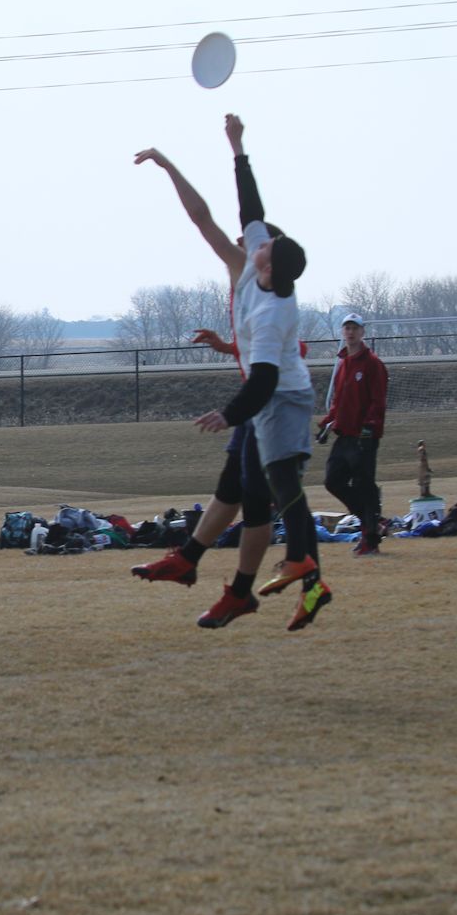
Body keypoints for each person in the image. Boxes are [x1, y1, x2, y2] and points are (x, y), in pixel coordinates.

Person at [137, 114, 331, 631]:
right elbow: (222, 213)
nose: (252, 237)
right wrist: (232, 149)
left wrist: (228, 413)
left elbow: (266, 378)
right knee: (234, 488)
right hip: (258, 398)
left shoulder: (270, 312)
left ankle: (294, 580)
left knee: (267, 493)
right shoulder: (252, 269)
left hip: (276, 400)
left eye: (262, 242)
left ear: (267, 263)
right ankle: (192, 561)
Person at [318, 313, 389, 556]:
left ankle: (370, 539)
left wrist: (370, 426)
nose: (350, 332)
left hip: (364, 436)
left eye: (355, 328)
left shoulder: (372, 363)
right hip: (345, 435)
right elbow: (338, 401)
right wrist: (327, 423)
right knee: (333, 481)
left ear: (362, 332)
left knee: (363, 484)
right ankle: (374, 521)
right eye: (347, 328)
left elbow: (378, 400)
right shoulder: (343, 363)